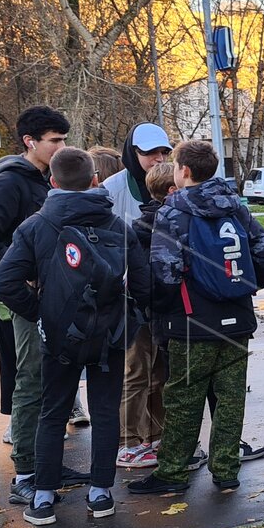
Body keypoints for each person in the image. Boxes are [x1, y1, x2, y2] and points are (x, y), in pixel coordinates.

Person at [0, 147, 149, 524]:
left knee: (53, 411)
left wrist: (39, 313)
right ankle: (100, 493)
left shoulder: (35, 226)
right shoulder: (118, 225)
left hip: (59, 336)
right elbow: (145, 285)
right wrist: (131, 318)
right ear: (95, 181)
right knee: (106, 411)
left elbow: (4, 280)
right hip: (110, 334)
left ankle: (43, 497)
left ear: (52, 182)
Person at [128, 140, 264, 496]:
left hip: (191, 321)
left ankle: (173, 472)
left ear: (184, 171)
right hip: (237, 318)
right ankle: (226, 469)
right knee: (230, 397)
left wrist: (163, 310)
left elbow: (165, 271)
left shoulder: (173, 210)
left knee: (183, 398)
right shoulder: (236, 207)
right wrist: (241, 287)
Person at [0, 105, 85, 504]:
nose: (61, 147)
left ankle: (48, 463)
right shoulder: (9, 184)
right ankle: (27, 473)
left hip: (56, 296)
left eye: (64, 140)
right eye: (54, 141)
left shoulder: (44, 181)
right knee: (32, 380)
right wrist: (23, 270)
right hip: (25, 300)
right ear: (30, 142)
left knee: (53, 380)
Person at [116, 161, 177, 470]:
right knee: (138, 374)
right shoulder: (145, 227)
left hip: (151, 311)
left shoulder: (153, 222)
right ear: (171, 190)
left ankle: (153, 437)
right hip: (142, 314)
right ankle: (127, 443)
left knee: (157, 376)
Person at [103, 123, 172, 226]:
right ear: (133, 152)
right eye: (151, 151)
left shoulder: (180, 184)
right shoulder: (111, 189)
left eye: (165, 152)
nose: (160, 158)